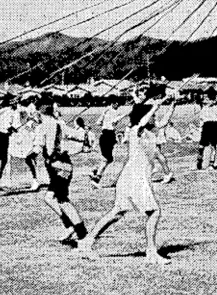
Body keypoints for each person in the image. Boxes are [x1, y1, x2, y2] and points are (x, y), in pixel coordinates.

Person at [76, 95, 172, 264]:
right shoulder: (137, 130)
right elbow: (143, 122)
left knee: (117, 212)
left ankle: (86, 242)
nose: (155, 117)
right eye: (152, 115)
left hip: (131, 177)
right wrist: (154, 107)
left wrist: (173, 104)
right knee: (154, 212)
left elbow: (162, 123)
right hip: (135, 177)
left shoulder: (150, 131)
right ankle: (151, 252)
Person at [33, 102, 88, 246]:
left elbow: (37, 149)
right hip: (65, 165)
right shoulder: (60, 124)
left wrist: (28, 154)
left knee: (63, 201)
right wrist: (83, 130)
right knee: (49, 198)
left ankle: (82, 234)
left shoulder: (41, 128)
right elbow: (79, 136)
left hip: (58, 167)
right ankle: (70, 226)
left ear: (39, 113)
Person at [8, 96, 42, 191]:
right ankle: (7, 180)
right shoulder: (14, 111)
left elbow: (35, 122)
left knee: (30, 158)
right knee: (27, 159)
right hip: (22, 137)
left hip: (32, 137)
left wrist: (29, 123)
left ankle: (36, 181)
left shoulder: (26, 109)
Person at [91, 96, 121, 184]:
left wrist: (104, 117)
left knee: (108, 159)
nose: (118, 105)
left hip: (104, 135)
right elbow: (114, 122)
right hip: (109, 135)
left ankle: (95, 170)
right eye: (117, 103)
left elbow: (98, 122)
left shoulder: (106, 111)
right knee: (107, 159)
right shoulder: (114, 112)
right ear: (113, 103)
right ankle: (96, 178)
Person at [148, 96, 177, 184]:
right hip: (151, 140)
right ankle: (155, 169)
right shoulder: (155, 123)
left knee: (158, 155)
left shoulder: (156, 124)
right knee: (154, 156)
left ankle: (167, 173)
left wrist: (172, 105)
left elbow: (166, 117)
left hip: (153, 140)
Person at [196, 88, 217, 170]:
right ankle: (199, 160)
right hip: (206, 126)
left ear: (213, 100)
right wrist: (201, 127)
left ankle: (211, 163)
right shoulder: (204, 108)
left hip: (214, 126)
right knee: (201, 145)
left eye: (208, 99)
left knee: (213, 146)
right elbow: (201, 119)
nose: (206, 101)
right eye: (206, 99)